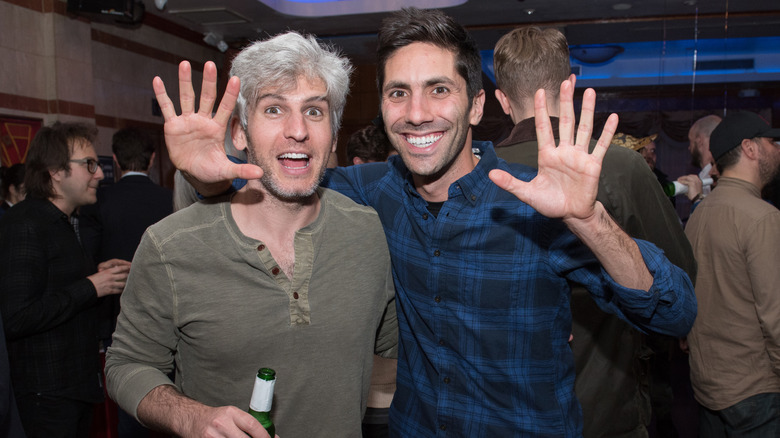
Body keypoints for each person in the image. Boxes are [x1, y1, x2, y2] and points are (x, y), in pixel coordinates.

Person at [169, 8, 696, 436]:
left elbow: (673, 312)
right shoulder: (370, 190)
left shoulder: (534, 204)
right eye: (399, 93)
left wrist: (589, 218)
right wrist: (209, 175)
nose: (417, 112)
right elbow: (277, 186)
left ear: (476, 106)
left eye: (439, 89)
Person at [104, 32, 398, 438]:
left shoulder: (367, 233)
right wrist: (191, 417)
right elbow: (125, 365)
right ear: (240, 134)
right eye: (274, 109)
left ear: (333, 132)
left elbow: (400, 344)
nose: (298, 130)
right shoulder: (170, 246)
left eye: (315, 112)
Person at [491, 26, 696, 438]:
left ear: (500, 99)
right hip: (606, 407)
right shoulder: (621, 168)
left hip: (503, 409)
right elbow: (681, 276)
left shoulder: (479, 175)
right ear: (570, 85)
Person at [0, 122, 131, 438]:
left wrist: (96, 274)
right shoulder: (26, 224)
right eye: (89, 164)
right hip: (47, 397)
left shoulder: (62, 222)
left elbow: (53, 283)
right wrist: (91, 286)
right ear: (56, 171)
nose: (99, 174)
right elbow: (17, 317)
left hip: (72, 389)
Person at [685, 111, 780, 437]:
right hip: (755, 390)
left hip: (710, 387)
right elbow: (775, 316)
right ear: (750, 149)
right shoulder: (762, 218)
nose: (778, 149)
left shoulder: (699, 214)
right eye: (772, 142)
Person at [78, 126, 173, 438]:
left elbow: (88, 259)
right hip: (168, 315)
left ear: (115, 160)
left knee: (126, 399)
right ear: (153, 158)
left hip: (115, 316)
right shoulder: (170, 200)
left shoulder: (99, 201)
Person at [676, 115, 722, 208]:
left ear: (699, 141)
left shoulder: (713, 177)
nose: (689, 148)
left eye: (691, 141)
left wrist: (696, 199)